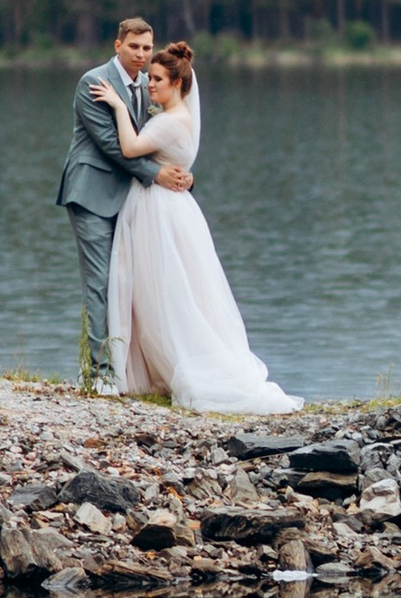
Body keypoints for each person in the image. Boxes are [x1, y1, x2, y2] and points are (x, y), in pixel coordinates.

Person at [102, 43, 300, 414]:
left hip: (159, 211)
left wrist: (117, 106)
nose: (149, 85)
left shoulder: (170, 121)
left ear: (177, 83)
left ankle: (177, 364)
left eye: (157, 79)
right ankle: (154, 368)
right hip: (170, 208)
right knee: (164, 288)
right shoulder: (176, 117)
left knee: (163, 288)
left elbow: (129, 148)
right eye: (149, 78)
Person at [56, 14, 190, 392]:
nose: (141, 54)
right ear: (118, 46)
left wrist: (182, 175)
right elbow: (112, 146)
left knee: (130, 283)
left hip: (132, 200)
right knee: (100, 282)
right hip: (91, 193)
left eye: (147, 48)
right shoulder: (93, 82)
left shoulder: (149, 86)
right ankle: (97, 373)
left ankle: (132, 371)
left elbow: (162, 138)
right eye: (134, 46)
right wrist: (156, 175)